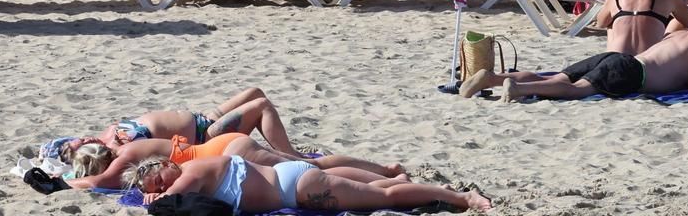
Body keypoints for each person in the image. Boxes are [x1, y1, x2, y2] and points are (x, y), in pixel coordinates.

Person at [459, 9, 688, 102]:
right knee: (575, 90)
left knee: (556, 77)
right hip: (632, 73)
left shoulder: (676, 34)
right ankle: (518, 86)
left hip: (620, 59)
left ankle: (492, 79)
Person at [125, 154, 491, 212]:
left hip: (297, 189)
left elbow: (161, 206)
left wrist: (149, 200)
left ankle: (462, 198)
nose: (160, 187)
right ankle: (437, 190)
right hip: (296, 174)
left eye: (157, 180)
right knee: (384, 187)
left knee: (386, 197)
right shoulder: (197, 170)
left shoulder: (190, 173)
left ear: (167, 166)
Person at [65, 132, 403, 191]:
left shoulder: (125, 156)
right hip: (221, 147)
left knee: (313, 168)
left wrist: (63, 181)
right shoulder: (127, 146)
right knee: (311, 164)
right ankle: (384, 173)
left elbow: (97, 183)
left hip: (229, 155)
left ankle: (385, 174)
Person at [44, 88, 303, 161]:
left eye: (78, 138)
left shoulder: (105, 134)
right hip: (207, 137)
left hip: (204, 117)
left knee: (255, 92)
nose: (85, 140)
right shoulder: (115, 148)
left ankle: (285, 150)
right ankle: (292, 157)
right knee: (262, 106)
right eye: (80, 145)